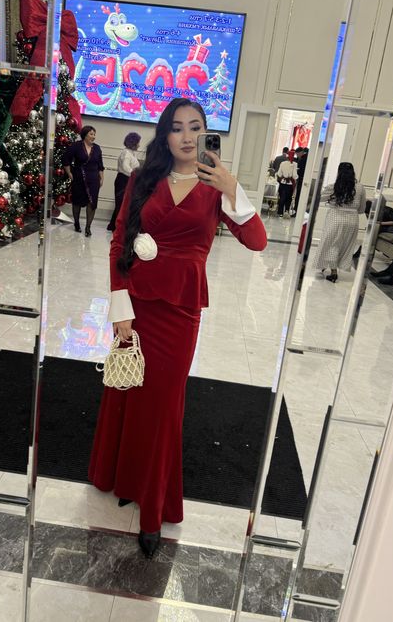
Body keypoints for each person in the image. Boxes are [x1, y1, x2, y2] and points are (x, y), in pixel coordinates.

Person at [88, 98, 267, 559]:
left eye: (196, 127)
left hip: (180, 312)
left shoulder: (215, 188)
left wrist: (233, 189)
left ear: (206, 134)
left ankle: (152, 509)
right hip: (136, 304)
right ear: (165, 135)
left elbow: (257, 241)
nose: (187, 136)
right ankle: (123, 480)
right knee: (128, 392)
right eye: (177, 127)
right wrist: (119, 306)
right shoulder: (145, 180)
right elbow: (119, 240)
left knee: (163, 408)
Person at [314, 162, 366, 282]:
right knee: (345, 246)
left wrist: (332, 199)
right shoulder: (360, 188)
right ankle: (327, 265)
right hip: (352, 220)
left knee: (332, 244)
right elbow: (362, 209)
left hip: (336, 217)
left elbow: (319, 198)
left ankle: (333, 272)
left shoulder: (334, 187)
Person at [63, 125, 105, 236]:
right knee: (77, 202)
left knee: (92, 203)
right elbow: (66, 159)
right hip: (79, 178)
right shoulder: (76, 146)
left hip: (94, 179)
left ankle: (88, 227)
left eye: (94, 134)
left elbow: (100, 165)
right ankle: (76, 223)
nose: (93, 136)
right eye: (91, 134)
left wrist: (102, 178)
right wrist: (69, 173)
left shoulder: (97, 148)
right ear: (85, 135)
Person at [107, 132, 141, 232]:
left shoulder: (131, 153)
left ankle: (113, 225)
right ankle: (118, 228)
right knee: (121, 204)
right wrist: (135, 175)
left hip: (126, 180)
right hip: (123, 180)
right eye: (138, 142)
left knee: (121, 204)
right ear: (133, 143)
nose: (139, 145)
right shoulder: (126, 153)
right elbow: (126, 167)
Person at [276, 149, 298, 217]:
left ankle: (280, 213)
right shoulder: (295, 164)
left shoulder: (282, 163)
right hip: (290, 184)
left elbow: (279, 174)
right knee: (288, 198)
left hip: (282, 182)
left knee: (281, 197)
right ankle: (286, 211)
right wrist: (297, 177)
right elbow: (294, 175)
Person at [291, 147, 308, 216]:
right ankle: (297, 211)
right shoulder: (306, 158)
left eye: (297, 154)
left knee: (299, 196)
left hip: (301, 180)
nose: (297, 156)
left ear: (300, 152)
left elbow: (300, 170)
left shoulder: (303, 159)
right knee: (299, 196)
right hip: (302, 179)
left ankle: (297, 211)